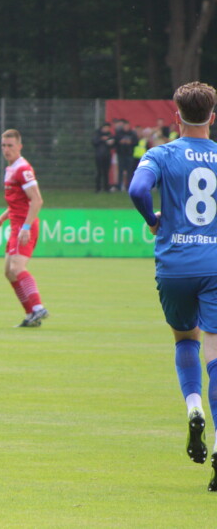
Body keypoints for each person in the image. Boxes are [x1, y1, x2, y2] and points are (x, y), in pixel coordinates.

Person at [129, 81, 217, 491]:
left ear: (177, 117)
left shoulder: (160, 153)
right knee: (215, 354)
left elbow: (137, 189)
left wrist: (152, 219)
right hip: (215, 264)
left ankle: (193, 406)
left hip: (175, 265)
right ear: (212, 117)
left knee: (185, 338)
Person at [0, 129, 50, 328]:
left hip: (24, 226)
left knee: (17, 268)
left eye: (10, 146)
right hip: (16, 224)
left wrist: (26, 227)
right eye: (4, 146)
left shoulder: (23, 169)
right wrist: (1, 218)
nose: (6, 149)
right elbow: (18, 202)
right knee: (9, 271)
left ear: (19, 146)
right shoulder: (11, 169)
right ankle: (31, 314)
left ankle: (38, 307)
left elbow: (37, 200)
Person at [91, 122, 115, 193]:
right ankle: (98, 188)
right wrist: (102, 139)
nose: (107, 129)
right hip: (99, 156)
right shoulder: (97, 134)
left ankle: (106, 188)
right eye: (106, 127)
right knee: (99, 172)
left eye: (108, 128)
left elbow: (113, 145)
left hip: (107, 155)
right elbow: (94, 142)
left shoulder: (110, 135)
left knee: (106, 172)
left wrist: (111, 143)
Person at [114, 118, 137, 190]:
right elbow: (115, 142)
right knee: (120, 170)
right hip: (121, 154)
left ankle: (129, 186)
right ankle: (119, 186)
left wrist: (130, 142)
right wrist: (121, 142)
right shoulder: (119, 133)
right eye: (125, 126)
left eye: (127, 126)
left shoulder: (132, 133)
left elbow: (135, 142)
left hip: (129, 154)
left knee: (130, 171)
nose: (126, 127)